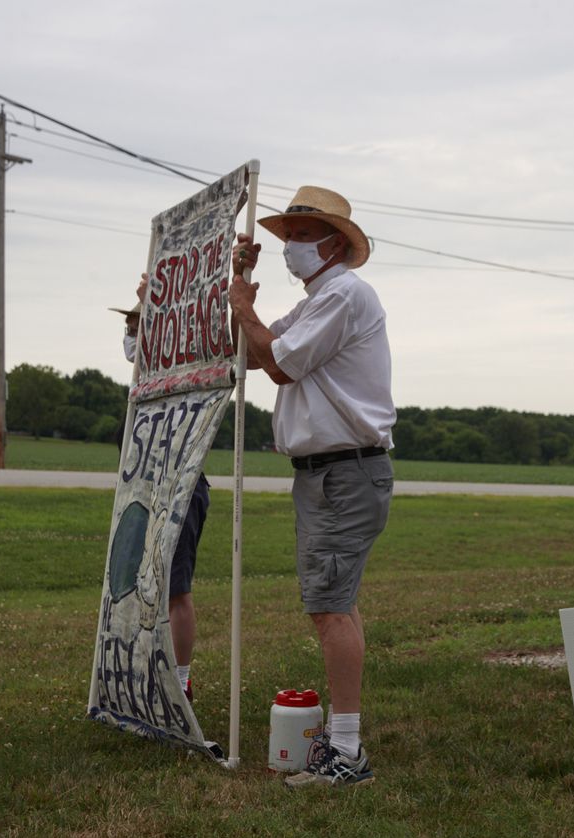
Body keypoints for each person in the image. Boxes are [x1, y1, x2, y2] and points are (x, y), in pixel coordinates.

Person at [228, 186, 395, 788]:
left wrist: (245, 307)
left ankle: (346, 751)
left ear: (335, 244)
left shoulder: (343, 294)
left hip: (344, 472)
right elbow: (250, 355)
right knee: (337, 601)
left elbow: (278, 364)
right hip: (330, 473)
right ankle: (341, 737)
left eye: (302, 236)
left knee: (328, 607)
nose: (291, 247)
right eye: (288, 236)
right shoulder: (318, 299)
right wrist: (238, 287)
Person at [113, 290, 211, 703]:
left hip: (180, 486)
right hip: (145, 487)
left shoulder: (176, 370)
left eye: (137, 327)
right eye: (127, 327)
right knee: (137, 585)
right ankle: (146, 672)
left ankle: (181, 681)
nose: (129, 335)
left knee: (175, 589)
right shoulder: (144, 383)